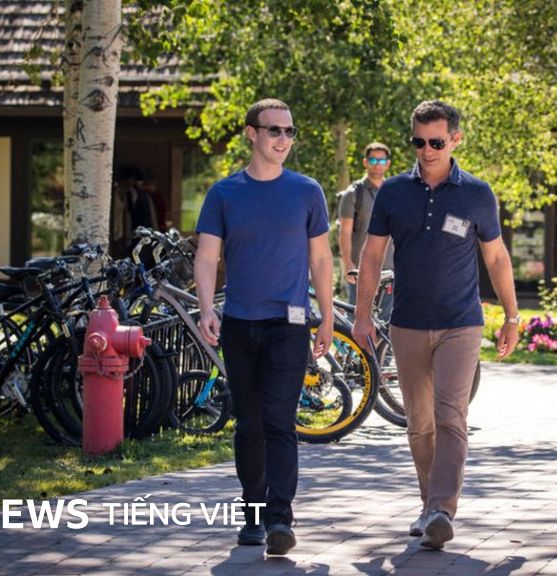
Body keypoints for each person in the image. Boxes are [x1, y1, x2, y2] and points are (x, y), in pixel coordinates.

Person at [352, 100, 520, 550]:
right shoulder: (393, 192)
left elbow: (496, 257)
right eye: (419, 142)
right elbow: (372, 255)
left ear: (456, 140)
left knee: (450, 416)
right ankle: (429, 507)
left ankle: (443, 508)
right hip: (407, 322)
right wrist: (362, 315)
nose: (427, 150)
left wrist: (511, 315)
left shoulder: (477, 194)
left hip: (460, 323)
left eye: (437, 142)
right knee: (420, 424)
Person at [193, 98, 334, 556]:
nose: (283, 139)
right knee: (249, 425)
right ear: (251, 134)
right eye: (275, 130)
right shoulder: (224, 194)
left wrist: (327, 316)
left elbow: (320, 259)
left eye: (290, 131)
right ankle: (252, 515)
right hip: (238, 324)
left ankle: (279, 519)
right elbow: (207, 256)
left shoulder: (307, 191)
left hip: (288, 326)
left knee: (279, 422)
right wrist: (206, 308)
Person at [337, 142, 395, 318]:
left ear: (388, 164)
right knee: (357, 321)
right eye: (373, 160)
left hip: (390, 272)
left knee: (386, 324)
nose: (377, 164)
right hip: (361, 271)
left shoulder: (394, 192)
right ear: (365, 162)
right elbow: (344, 232)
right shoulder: (353, 194)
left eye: (381, 160)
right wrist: (348, 264)